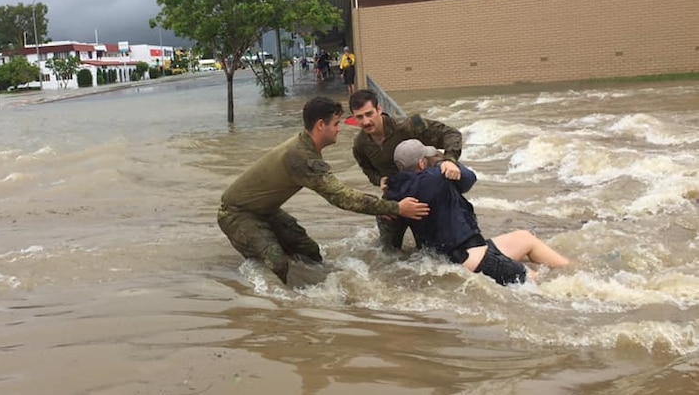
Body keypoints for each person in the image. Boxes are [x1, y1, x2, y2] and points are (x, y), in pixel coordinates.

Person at [217, 97, 430, 284]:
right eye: (336, 124)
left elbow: (341, 193)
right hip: (237, 214)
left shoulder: (306, 147)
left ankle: (319, 293)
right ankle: (282, 309)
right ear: (321, 125)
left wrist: (383, 207)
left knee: (308, 250)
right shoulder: (301, 157)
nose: (339, 129)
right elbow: (341, 197)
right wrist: (395, 208)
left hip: (265, 211)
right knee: (277, 261)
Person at [385, 139, 570, 285]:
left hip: (454, 258)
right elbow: (469, 179)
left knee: (525, 238)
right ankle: (577, 279)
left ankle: (572, 268)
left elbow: (391, 237)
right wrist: (447, 162)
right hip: (473, 259)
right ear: (422, 163)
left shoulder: (392, 196)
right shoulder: (436, 177)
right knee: (539, 282)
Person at [349, 89, 463, 252]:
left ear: (379, 110)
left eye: (369, 114)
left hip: (425, 198)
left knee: (431, 255)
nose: (366, 121)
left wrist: (450, 160)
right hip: (394, 202)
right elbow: (367, 169)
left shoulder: (410, 124)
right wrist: (378, 179)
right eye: (359, 117)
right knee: (387, 256)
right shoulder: (359, 144)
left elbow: (451, 133)